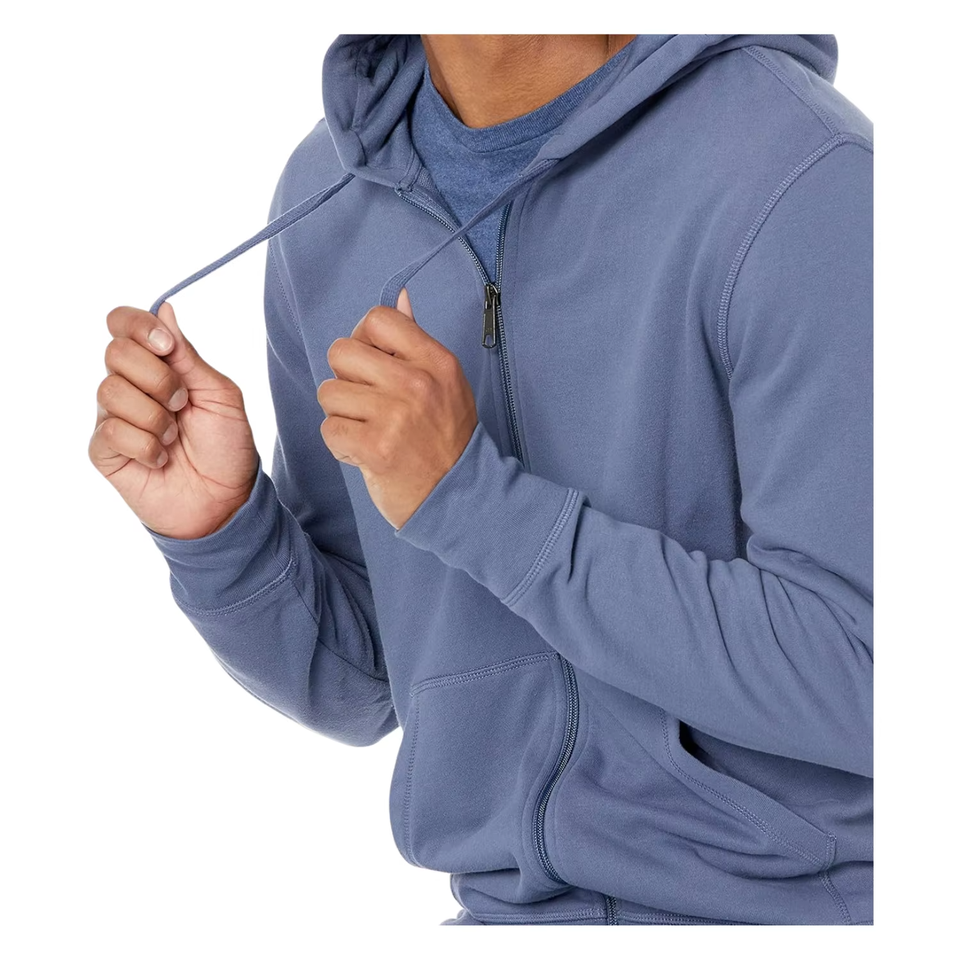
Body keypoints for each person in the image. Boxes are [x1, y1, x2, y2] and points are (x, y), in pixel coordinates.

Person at [88, 34, 873, 926]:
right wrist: (222, 533)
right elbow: (369, 681)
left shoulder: (797, 172)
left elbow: (869, 679)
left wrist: (473, 502)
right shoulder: (328, 194)